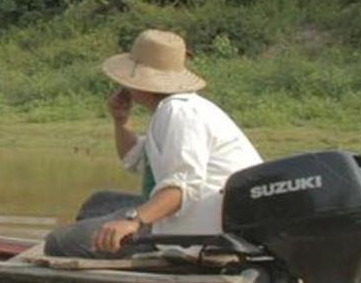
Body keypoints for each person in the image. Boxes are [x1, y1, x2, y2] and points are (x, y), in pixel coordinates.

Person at [44, 29, 262, 258]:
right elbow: (135, 160)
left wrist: (133, 221)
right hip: (198, 212)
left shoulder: (178, 112)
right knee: (97, 203)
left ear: (139, 81)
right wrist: (121, 121)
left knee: (59, 242)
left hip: (199, 229)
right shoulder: (175, 109)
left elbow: (182, 189)